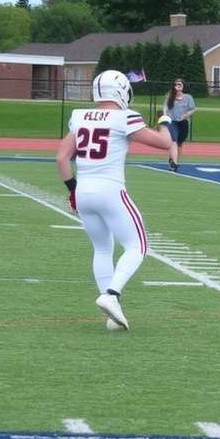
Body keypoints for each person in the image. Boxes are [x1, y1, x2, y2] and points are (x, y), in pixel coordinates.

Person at [56, 70, 172, 331]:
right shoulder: (125, 117)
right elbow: (165, 143)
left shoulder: (79, 116)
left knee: (102, 248)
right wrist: (165, 119)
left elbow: (61, 158)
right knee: (137, 246)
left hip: (84, 191)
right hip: (110, 189)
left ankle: (112, 313)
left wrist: (73, 191)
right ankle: (111, 295)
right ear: (120, 90)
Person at [162, 78, 196, 172]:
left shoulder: (188, 97)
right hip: (172, 121)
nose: (178, 85)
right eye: (176, 84)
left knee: (180, 143)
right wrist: (165, 115)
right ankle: (175, 164)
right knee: (173, 141)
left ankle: (173, 159)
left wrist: (186, 115)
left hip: (183, 122)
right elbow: (165, 107)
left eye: (180, 84)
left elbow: (193, 109)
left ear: (183, 86)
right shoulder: (170, 96)